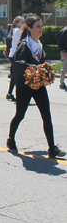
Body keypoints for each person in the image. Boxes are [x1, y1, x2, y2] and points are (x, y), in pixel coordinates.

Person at [7, 16, 65, 159]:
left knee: (47, 115)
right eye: (38, 26)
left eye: (41, 26)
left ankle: (52, 148)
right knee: (20, 114)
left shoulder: (39, 44)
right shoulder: (24, 45)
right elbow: (18, 63)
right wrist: (34, 68)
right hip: (24, 86)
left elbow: (42, 63)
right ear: (30, 29)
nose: (41, 29)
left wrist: (46, 72)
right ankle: (11, 140)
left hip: (38, 86)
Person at [57, 24, 67, 90]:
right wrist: (63, 51)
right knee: (64, 68)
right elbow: (59, 42)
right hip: (65, 52)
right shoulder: (65, 30)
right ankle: (62, 84)